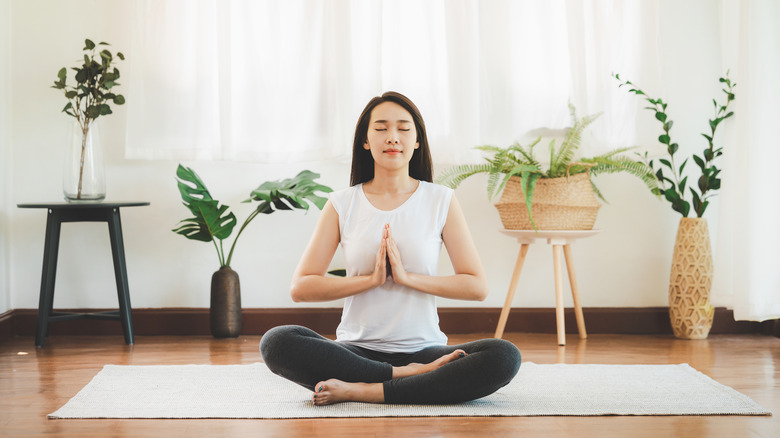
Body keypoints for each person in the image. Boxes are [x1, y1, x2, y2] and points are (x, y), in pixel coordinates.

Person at [260, 91, 521, 405]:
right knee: (277, 342)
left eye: (403, 129)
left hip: (425, 351)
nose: (392, 137)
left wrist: (406, 277)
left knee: (504, 356)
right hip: (356, 351)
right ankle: (403, 379)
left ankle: (364, 390)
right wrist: (370, 280)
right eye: (381, 129)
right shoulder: (342, 203)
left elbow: (476, 287)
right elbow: (301, 288)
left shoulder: (441, 200)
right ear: (366, 141)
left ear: (417, 141)